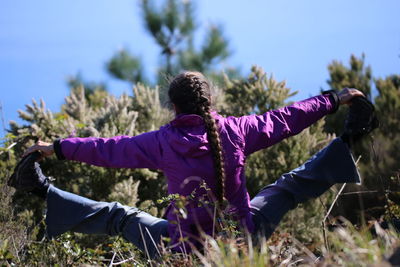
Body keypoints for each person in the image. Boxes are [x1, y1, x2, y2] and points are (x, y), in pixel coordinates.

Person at [8, 71, 378, 258]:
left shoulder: (160, 143)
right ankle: (347, 141)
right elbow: (286, 117)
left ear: (173, 106)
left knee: (118, 216)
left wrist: (55, 147)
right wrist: (334, 98)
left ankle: (41, 189)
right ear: (210, 101)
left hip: (181, 251)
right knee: (289, 186)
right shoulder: (238, 130)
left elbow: (106, 149)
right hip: (243, 244)